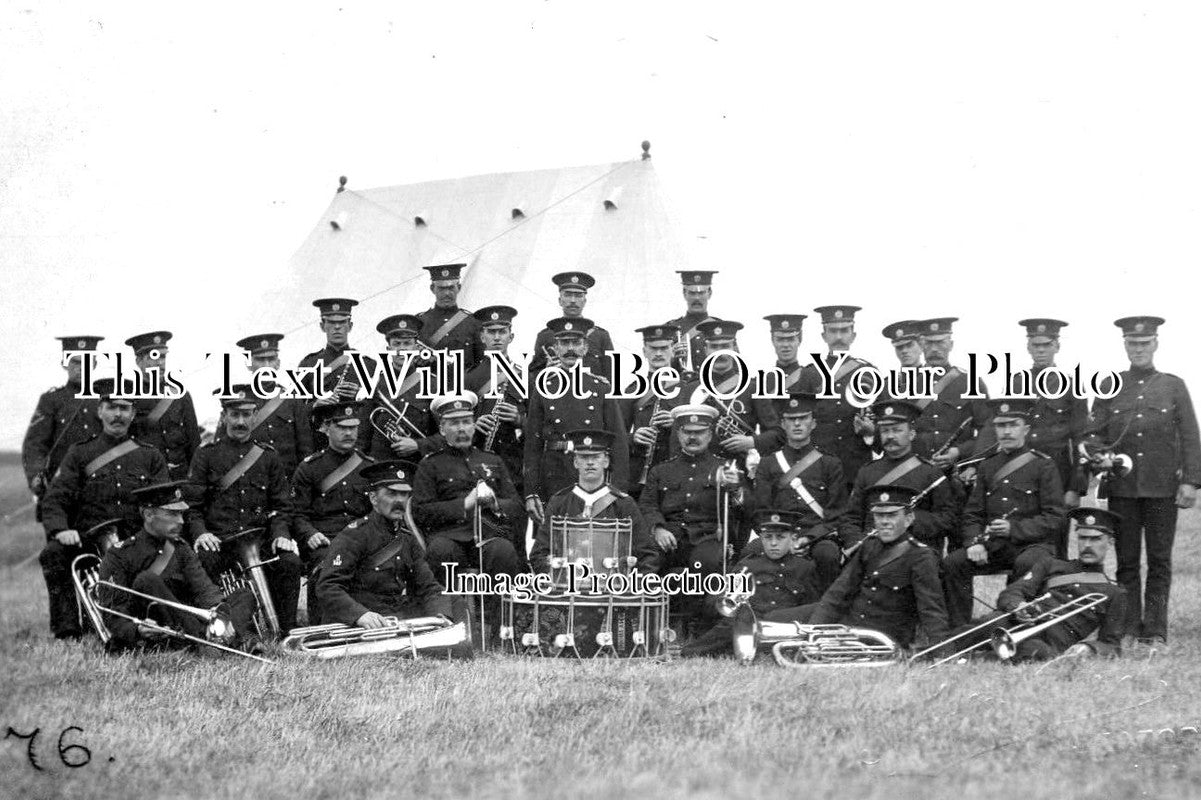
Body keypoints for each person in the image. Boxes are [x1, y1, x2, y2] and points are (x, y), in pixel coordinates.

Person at [1085, 316, 1200, 646]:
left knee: (1160, 562)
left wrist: (1190, 481)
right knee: (1127, 561)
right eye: (1132, 344)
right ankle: (1130, 625)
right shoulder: (1109, 386)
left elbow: (1191, 436)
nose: (1138, 349)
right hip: (1123, 489)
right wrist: (1099, 455)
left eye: (1144, 343)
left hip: (1163, 489)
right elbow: (1093, 435)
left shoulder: (1173, 385)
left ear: (1155, 344)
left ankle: (1156, 629)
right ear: (1124, 345)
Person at [39, 378, 170, 639]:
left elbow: (165, 504)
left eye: (124, 408)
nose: (118, 414)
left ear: (133, 414)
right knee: (53, 553)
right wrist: (61, 530)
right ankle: (68, 629)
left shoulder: (150, 455)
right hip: (90, 540)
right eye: (111, 407)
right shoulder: (80, 453)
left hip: (137, 541)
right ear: (100, 411)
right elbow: (55, 499)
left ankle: (154, 619)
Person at [928, 507, 1127, 662]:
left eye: (1096, 539)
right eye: (1083, 538)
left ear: (1109, 541)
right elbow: (1012, 592)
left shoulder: (1114, 593)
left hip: (1049, 643)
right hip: (1019, 623)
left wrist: (1090, 649)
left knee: (1034, 651)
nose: (1088, 545)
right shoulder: (1051, 564)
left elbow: (1112, 645)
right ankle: (929, 654)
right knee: (994, 621)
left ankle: (972, 659)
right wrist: (1018, 606)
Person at [764, 484, 949, 650]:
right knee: (772, 620)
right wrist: (814, 630)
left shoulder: (921, 556)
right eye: (879, 515)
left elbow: (931, 610)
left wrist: (942, 652)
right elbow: (839, 592)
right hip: (848, 620)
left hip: (878, 635)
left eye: (892, 515)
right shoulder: (869, 546)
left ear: (908, 519)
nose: (884, 521)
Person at [186, 385, 302, 634]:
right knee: (204, 560)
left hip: (259, 540)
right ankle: (224, 626)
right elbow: (192, 508)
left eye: (247, 414)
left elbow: (282, 505)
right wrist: (201, 534)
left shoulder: (268, 456)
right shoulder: (206, 455)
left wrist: (281, 533)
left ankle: (286, 628)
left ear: (255, 415)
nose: (241, 421)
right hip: (221, 542)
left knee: (289, 562)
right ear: (224, 415)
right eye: (235, 414)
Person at [941, 398, 1064, 628]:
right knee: (952, 564)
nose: (1006, 431)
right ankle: (959, 632)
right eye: (1001, 425)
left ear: (1026, 429)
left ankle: (1018, 627)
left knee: (1028, 562)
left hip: (1031, 545)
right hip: (994, 546)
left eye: (1013, 425)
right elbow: (973, 514)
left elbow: (1055, 517)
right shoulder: (987, 467)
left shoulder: (1043, 466)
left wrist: (1014, 529)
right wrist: (974, 543)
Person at [96, 481, 257, 652]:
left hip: (189, 624)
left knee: (243, 595)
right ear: (149, 515)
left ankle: (213, 639)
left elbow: (204, 590)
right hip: (161, 631)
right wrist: (137, 629)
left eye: (181, 514)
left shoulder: (180, 547)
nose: (181, 521)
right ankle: (225, 642)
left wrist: (220, 613)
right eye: (172, 514)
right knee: (147, 579)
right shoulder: (119, 554)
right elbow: (112, 614)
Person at [638, 405, 744, 626]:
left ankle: (701, 626)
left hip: (707, 537)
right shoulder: (661, 471)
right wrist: (658, 529)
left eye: (699, 432)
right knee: (647, 559)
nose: (693, 437)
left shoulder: (724, 468)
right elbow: (647, 506)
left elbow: (743, 508)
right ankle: (649, 624)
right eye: (687, 432)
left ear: (710, 434)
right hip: (670, 536)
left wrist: (735, 489)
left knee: (706, 562)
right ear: (678, 434)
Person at [317, 460, 453, 629]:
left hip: (394, 618)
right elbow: (328, 587)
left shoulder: (407, 539)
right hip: (364, 623)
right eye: (391, 494)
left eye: (404, 495)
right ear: (373, 498)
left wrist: (442, 618)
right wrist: (360, 615)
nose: (400, 501)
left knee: (453, 602)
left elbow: (429, 587)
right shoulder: (354, 535)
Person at [411, 392, 524, 584]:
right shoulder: (430, 465)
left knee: (503, 551)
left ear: (473, 425)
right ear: (442, 429)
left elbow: (516, 506)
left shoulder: (493, 460)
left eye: (466, 422)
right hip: (449, 537)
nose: (461, 428)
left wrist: (495, 504)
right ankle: (448, 613)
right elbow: (420, 511)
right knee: (440, 551)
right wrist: (464, 504)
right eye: (454, 423)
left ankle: (498, 614)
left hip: (490, 535)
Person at [524, 316, 630, 517]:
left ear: (585, 348)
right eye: (564, 343)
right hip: (553, 474)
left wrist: (617, 489)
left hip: (593, 476)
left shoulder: (601, 388)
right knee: (554, 540)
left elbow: (619, 442)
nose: (570, 348)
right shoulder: (544, 387)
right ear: (555, 348)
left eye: (576, 343)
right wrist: (531, 492)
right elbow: (532, 444)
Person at [680, 509, 820, 658]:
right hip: (749, 623)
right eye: (767, 537)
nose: (773, 543)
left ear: (793, 538)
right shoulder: (747, 565)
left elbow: (811, 607)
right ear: (761, 538)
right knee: (729, 626)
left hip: (786, 627)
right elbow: (720, 601)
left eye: (780, 537)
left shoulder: (806, 567)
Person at [750, 392, 847, 592]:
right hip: (777, 533)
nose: (797, 424)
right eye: (791, 419)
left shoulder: (830, 463)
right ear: (783, 424)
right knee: (748, 553)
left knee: (828, 554)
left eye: (803, 418)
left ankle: (825, 611)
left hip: (817, 536)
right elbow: (762, 510)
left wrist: (808, 538)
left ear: (813, 423)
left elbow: (836, 514)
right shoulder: (768, 463)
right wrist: (783, 538)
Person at [290, 400, 375, 625]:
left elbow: (376, 513)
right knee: (324, 562)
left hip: (361, 539)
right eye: (341, 427)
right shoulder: (309, 468)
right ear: (326, 428)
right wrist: (309, 534)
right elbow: (297, 514)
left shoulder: (369, 467)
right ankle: (323, 627)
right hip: (325, 540)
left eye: (353, 427)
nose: (349, 433)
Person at [841, 400, 961, 554]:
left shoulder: (930, 473)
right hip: (872, 552)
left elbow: (947, 519)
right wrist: (858, 544)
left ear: (911, 434)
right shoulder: (867, 472)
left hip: (916, 555)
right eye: (885, 431)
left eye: (897, 430)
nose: (890, 436)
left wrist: (909, 520)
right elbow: (851, 518)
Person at [529, 429, 656, 574]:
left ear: (606, 461)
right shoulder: (559, 502)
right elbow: (539, 555)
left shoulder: (624, 504)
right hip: (568, 590)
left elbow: (647, 556)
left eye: (596, 457)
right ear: (575, 462)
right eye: (583, 457)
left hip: (613, 590)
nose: (590, 462)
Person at [679, 320, 784, 473]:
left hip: (740, 471)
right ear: (705, 349)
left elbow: (778, 435)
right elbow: (677, 438)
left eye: (725, 346)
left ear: (734, 348)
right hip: (697, 475)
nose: (721, 353)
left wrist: (751, 441)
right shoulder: (691, 389)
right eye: (714, 347)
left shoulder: (752, 388)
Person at [23, 335, 104, 519]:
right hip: (60, 493)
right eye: (75, 362)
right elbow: (35, 445)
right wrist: (37, 479)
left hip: (99, 494)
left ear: (95, 364)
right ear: (64, 363)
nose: (81, 368)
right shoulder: (51, 400)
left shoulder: (106, 401)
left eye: (86, 362)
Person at [796, 305, 876, 486]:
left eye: (844, 331)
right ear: (824, 336)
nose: (839, 337)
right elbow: (798, 418)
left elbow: (884, 422)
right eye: (833, 331)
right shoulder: (810, 374)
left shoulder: (869, 373)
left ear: (853, 335)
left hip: (857, 467)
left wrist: (871, 432)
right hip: (819, 465)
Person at [1017, 319, 1089, 509]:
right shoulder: (1016, 384)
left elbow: (1081, 441)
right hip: (1021, 471)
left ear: (1057, 346)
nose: (1041, 350)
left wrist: (1076, 487)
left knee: (1055, 534)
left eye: (1047, 345)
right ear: (1028, 347)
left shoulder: (1072, 385)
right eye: (1036, 345)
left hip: (1058, 475)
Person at [911, 317, 993, 466]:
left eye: (940, 342)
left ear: (951, 345)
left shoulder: (970, 382)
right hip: (916, 470)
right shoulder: (907, 384)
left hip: (958, 469)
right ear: (921, 345)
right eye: (929, 343)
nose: (934, 349)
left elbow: (988, 430)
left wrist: (960, 451)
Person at [359, 314, 439, 461]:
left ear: (416, 347)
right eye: (397, 344)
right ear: (388, 348)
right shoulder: (375, 384)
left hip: (418, 467)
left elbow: (447, 435)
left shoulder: (433, 385)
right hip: (381, 466)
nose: (402, 349)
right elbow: (362, 436)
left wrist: (418, 444)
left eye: (407, 343)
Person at [464, 305, 527, 492]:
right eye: (491, 332)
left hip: (512, 463)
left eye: (502, 332)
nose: (497, 337)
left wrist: (519, 420)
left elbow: (539, 425)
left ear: (511, 337)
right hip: (476, 458)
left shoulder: (525, 377)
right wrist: (473, 424)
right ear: (482, 337)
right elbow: (454, 420)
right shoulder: (468, 378)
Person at [234, 333, 314, 476]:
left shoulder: (292, 399)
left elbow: (305, 450)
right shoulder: (236, 402)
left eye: (271, 360)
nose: (266, 366)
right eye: (260, 360)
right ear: (249, 363)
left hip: (286, 483)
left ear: (278, 363)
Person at [124, 331, 201, 480]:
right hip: (146, 481)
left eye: (163, 357)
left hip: (180, 479)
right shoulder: (127, 398)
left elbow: (194, 443)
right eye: (153, 357)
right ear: (138, 361)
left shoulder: (180, 395)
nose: (160, 363)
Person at [620, 323, 683, 498]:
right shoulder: (633, 389)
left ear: (673, 350)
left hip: (677, 471)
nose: (658, 353)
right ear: (644, 351)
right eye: (653, 348)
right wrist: (634, 437)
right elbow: (616, 434)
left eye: (664, 348)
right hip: (640, 471)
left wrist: (676, 423)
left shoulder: (687, 387)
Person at [528, 272, 615, 383]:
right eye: (568, 295)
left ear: (584, 301)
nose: (573, 300)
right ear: (560, 300)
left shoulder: (601, 336)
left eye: (578, 295)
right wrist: (546, 371)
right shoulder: (545, 336)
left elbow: (612, 377)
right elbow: (532, 376)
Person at [298, 297, 377, 419]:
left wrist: (360, 394)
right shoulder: (308, 365)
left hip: (356, 435)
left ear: (350, 326)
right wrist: (315, 405)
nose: (337, 327)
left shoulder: (369, 365)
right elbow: (295, 408)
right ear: (322, 326)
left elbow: (377, 407)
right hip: (320, 435)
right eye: (331, 322)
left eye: (342, 322)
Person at [416, 263, 483, 373]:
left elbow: (481, 362)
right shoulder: (419, 322)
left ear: (459, 288)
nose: (447, 293)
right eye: (441, 289)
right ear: (432, 289)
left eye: (451, 288)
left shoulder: (473, 322)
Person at [664, 269, 719, 377]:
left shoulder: (720, 326)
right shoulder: (670, 329)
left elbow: (735, 366)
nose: (697, 298)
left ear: (709, 293)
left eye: (701, 293)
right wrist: (672, 359)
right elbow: (659, 372)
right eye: (692, 293)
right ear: (684, 293)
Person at [760, 314, 807, 396]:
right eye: (780, 340)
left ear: (799, 340)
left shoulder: (810, 378)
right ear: (772, 341)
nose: (785, 345)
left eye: (791, 339)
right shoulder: (762, 381)